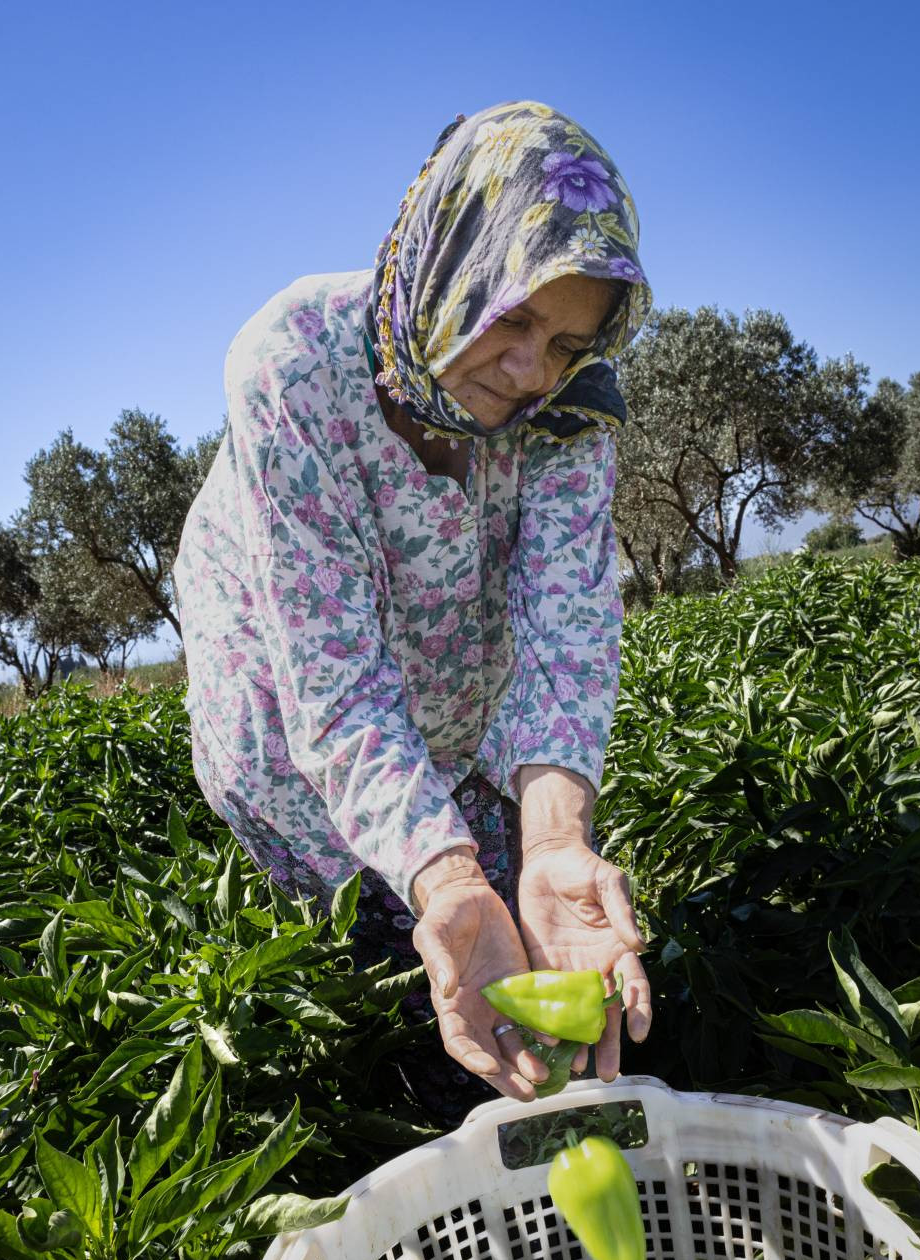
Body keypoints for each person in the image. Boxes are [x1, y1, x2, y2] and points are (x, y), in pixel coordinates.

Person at [173, 99, 653, 1122]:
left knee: (519, 900)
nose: (532, 372)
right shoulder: (296, 364)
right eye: (513, 318)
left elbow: (568, 631)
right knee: (406, 940)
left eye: (567, 341)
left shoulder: (573, 404)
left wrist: (559, 842)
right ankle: (406, 1098)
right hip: (290, 691)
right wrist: (441, 881)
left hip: (457, 676)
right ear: (447, 264)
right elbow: (336, 685)